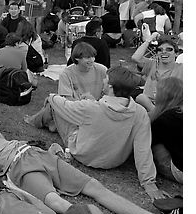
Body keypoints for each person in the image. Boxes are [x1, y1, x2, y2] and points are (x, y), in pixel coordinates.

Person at [0, 121, 171, 214]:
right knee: (55, 202)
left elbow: (4, 144)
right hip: (17, 167)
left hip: (32, 152)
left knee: (96, 187)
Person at [26, 67, 167, 201]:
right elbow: (143, 148)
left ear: (111, 86)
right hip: (113, 161)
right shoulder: (140, 112)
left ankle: (33, 121)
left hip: (83, 154)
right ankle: (48, 123)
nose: (103, 80)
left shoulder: (91, 107)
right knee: (79, 116)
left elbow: (63, 106)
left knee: (54, 107)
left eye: (105, 78)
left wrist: (52, 97)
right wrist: (148, 183)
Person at [131, 34, 182, 116]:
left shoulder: (181, 68)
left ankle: (157, 114)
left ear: (176, 54)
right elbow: (135, 58)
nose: (164, 52)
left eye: (169, 49)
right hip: (147, 105)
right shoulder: (152, 64)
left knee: (141, 98)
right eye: (160, 50)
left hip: (169, 108)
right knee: (141, 98)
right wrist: (149, 39)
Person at [151, 77, 182, 183]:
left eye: (157, 92)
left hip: (180, 170)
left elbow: (148, 142)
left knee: (155, 141)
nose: (154, 94)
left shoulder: (163, 120)